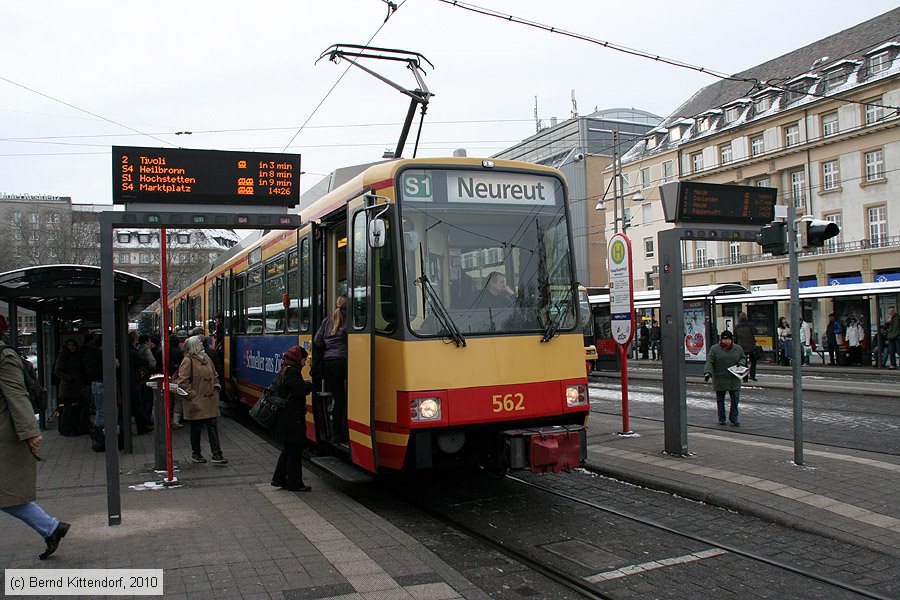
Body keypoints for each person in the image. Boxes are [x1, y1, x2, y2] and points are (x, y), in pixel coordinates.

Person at [0, 315, 70, 560]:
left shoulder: (5, 357)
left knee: (8, 493)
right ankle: (51, 528)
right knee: (7, 495)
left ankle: (51, 528)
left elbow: (17, 395)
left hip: (5, 436)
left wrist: (31, 432)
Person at [177, 335, 227, 464]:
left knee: (212, 427)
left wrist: (216, 387)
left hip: (210, 400)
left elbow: (214, 375)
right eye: (199, 342)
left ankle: (217, 454)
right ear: (194, 345)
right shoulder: (188, 361)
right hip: (196, 402)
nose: (202, 343)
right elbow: (182, 382)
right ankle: (196, 453)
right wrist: (193, 396)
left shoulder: (206, 358)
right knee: (196, 429)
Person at [271, 346, 314, 492]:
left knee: (288, 450)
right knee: (295, 452)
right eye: (303, 360)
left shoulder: (285, 370)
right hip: (292, 419)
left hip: (286, 419)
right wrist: (311, 385)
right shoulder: (292, 373)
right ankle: (295, 484)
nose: (304, 363)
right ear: (297, 359)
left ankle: (279, 479)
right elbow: (298, 391)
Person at [313, 295, 349, 444]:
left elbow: (317, 341)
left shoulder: (327, 320)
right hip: (342, 363)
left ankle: (336, 431)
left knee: (338, 397)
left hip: (328, 364)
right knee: (345, 398)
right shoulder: (349, 322)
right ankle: (341, 430)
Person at [703, 330, 747, 426]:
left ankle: (734, 418)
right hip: (720, 378)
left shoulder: (738, 349)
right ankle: (721, 418)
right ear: (721, 340)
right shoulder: (715, 349)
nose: (726, 341)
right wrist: (707, 372)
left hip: (733, 378)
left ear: (732, 340)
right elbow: (710, 361)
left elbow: (743, 358)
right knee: (720, 400)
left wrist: (741, 363)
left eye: (728, 339)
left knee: (735, 399)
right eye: (724, 339)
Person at [54, 338, 88, 436]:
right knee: (68, 409)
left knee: (75, 408)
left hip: (75, 386)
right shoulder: (63, 355)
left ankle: (73, 428)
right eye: (70, 345)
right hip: (68, 387)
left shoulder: (76, 356)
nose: (72, 347)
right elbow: (57, 371)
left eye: (73, 345)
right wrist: (69, 378)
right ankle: (67, 430)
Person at [733, 312, 758, 381]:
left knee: (744, 361)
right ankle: (752, 375)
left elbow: (735, 338)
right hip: (751, 346)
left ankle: (745, 377)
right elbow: (755, 332)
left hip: (741, 347)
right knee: (753, 360)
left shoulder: (737, 326)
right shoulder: (750, 325)